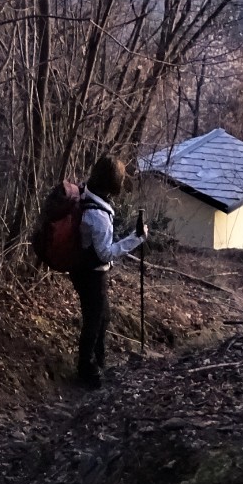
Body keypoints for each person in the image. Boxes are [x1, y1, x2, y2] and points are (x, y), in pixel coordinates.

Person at [70, 155, 147, 389]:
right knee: (95, 320)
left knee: (102, 316)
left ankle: (98, 360)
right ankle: (88, 370)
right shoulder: (99, 216)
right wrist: (136, 239)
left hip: (80, 268)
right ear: (112, 184)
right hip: (92, 273)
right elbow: (105, 253)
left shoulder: (85, 192)